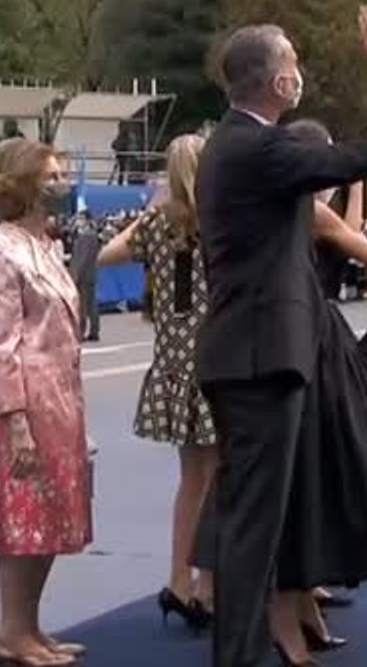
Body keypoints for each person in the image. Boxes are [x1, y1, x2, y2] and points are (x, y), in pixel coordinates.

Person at [195, 7, 367, 667]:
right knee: (254, 523)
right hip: (260, 355)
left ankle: (250, 648)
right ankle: (239, 655)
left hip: (250, 350)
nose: (301, 73)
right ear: (274, 83)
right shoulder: (258, 147)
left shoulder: (239, 146)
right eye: (292, 62)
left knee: (254, 515)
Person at [269, 118, 367, 663]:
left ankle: (303, 599)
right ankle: (289, 607)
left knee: (318, 471)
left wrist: (356, 186)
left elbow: (345, 229)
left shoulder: (307, 208)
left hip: (320, 337)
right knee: (312, 470)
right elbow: (362, 247)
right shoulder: (302, 209)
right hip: (310, 340)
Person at [0, 139, 92, 667]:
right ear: (23, 185)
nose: (61, 184)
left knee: (50, 517)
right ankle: (11, 631)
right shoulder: (0, 252)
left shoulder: (45, 245)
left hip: (61, 401)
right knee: (23, 520)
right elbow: (0, 346)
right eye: (50, 176)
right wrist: (15, 421)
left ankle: (31, 626)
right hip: (24, 407)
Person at [97, 134, 217, 631]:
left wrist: (156, 209)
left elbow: (106, 254)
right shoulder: (220, 222)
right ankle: (207, 585)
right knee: (219, 478)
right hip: (214, 359)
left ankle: (179, 579)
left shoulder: (158, 224)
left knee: (192, 480)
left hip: (172, 360)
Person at [70, 211, 101, 341]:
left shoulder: (87, 236)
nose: (79, 221)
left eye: (81, 218)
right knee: (90, 304)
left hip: (85, 275)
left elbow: (83, 258)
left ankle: (82, 332)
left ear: (87, 220)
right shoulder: (88, 235)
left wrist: (76, 275)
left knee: (83, 305)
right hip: (90, 274)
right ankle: (94, 330)